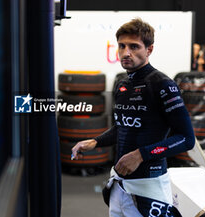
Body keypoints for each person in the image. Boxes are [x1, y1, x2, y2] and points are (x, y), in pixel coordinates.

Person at [71, 18, 195, 217]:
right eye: (122, 46)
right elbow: (123, 126)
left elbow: (186, 138)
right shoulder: (123, 84)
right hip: (119, 186)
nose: (126, 52)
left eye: (134, 46)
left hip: (150, 187)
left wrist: (140, 155)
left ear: (149, 49)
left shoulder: (163, 84)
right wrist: (95, 141)